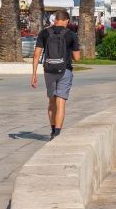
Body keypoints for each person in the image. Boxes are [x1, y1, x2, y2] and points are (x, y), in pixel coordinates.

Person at [31, 8, 81, 139]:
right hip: (65, 70)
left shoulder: (44, 33)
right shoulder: (71, 35)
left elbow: (36, 55)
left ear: (55, 20)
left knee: (51, 102)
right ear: (66, 20)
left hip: (49, 71)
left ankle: (52, 130)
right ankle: (57, 133)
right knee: (61, 103)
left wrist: (34, 74)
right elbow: (77, 58)